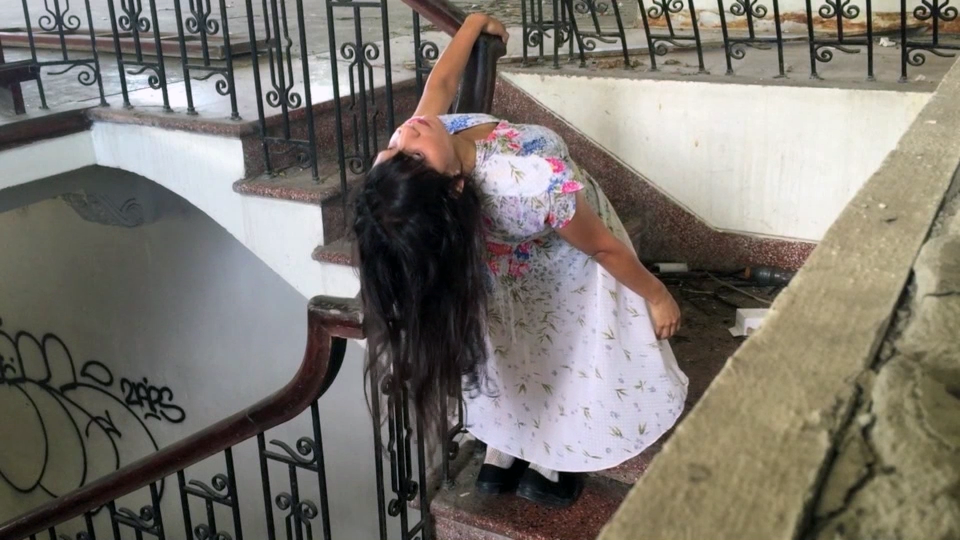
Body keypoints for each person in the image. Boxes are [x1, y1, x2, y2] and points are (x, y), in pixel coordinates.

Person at [352, 13, 688, 508]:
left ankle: (504, 453)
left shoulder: (428, 147)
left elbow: (440, 83)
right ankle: (551, 456)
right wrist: (656, 294)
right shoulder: (522, 182)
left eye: (395, 146)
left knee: (518, 352)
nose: (408, 134)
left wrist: (470, 25)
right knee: (568, 353)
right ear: (456, 187)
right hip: (565, 270)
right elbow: (600, 247)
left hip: (504, 276)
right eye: (410, 152)